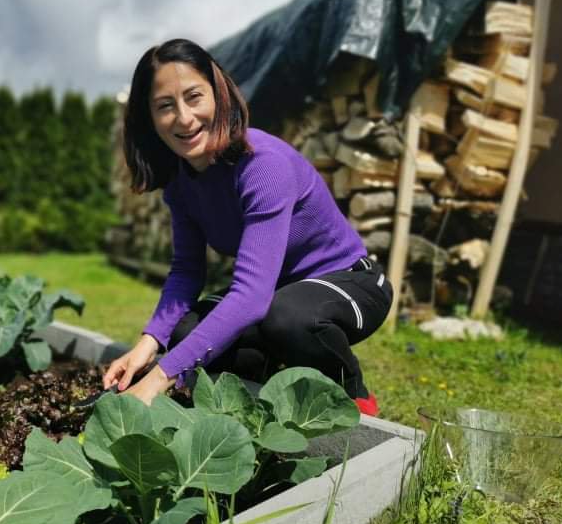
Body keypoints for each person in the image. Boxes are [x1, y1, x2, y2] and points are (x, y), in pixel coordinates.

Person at [102, 38, 393, 415]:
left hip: (351, 283)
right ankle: (259, 405)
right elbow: (188, 272)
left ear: (218, 95)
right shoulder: (181, 182)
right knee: (187, 331)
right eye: (165, 106)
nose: (184, 118)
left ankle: (356, 402)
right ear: (150, 119)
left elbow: (251, 296)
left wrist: (159, 378)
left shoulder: (263, 165)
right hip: (279, 293)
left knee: (287, 318)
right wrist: (148, 343)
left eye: (194, 97)